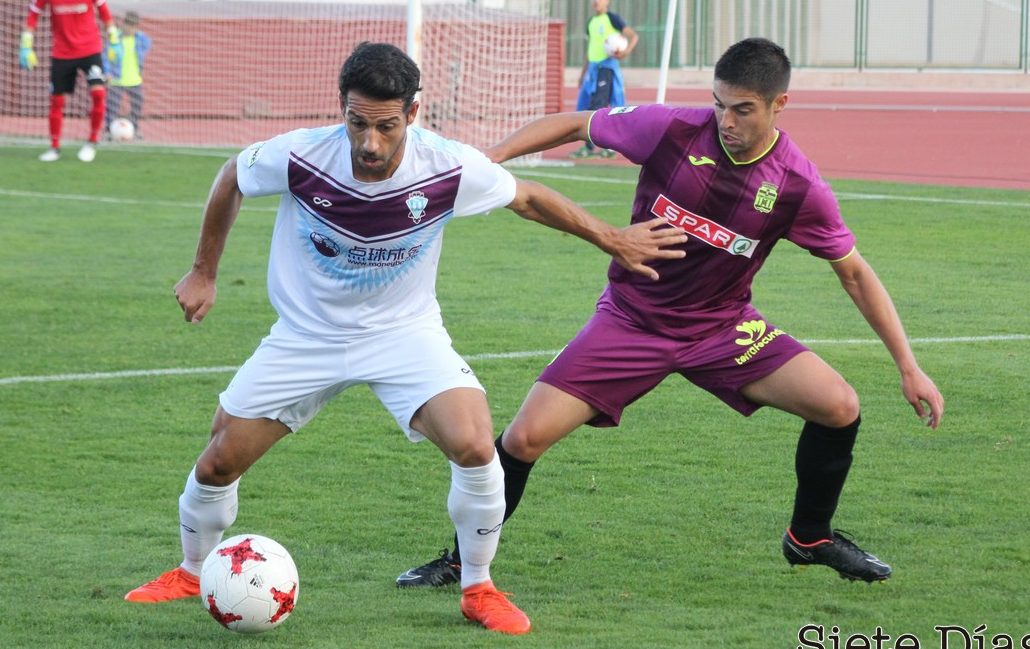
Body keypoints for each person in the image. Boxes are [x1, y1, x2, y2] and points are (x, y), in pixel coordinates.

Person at [121, 42, 686, 636]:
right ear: (342, 109)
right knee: (218, 462)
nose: (369, 142)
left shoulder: (447, 165)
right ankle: (192, 572)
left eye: (386, 126)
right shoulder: (300, 156)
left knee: (475, 446)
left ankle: (478, 587)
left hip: (404, 335)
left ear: (413, 113)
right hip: (306, 336)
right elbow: (231, 177)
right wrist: (204, 271)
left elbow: (529, 198)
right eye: (357, 123)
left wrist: (612, 239)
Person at [397, 37, 945, 593]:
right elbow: (575, 124)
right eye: (719, 104)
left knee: (839, 406)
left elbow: (855, 273)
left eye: (743, 109)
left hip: (724, 329)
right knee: (523, 439)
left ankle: (809, 537)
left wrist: (909, 367)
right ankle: (461, 562)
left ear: (779, 104)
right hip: (630, 322)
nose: (726, 121)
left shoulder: (797, 185)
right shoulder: (673, 128)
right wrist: (490, 160)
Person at [18, 0, 119, 162]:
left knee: (99, 94)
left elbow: (105, 12)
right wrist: (26, 46)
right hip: (62, 53)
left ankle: (92, 142)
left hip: (90, 50)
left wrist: (114, 40)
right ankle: (54, 147)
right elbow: (33, 15)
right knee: (57, 100)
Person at [570, 0, 637, 159]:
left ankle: (605, 147)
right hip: (593, 71)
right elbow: (591, 50)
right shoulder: (591, 22)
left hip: (606, 69)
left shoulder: (612, 19)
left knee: (598, 107)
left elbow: (633, 36)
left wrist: (626, 52)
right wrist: (583, 74)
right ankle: (593, 146)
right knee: (589, 107)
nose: (596, 1)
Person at [104, 10, 151, 139]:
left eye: (133, 26)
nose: (130, 29)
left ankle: (135, 129)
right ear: (123, 24)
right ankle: (108, 131)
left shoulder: (140, 39)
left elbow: (147, 44)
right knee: (112, 106)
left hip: (134, 79)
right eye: (128, 25)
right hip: (116, 79)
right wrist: (107, 72)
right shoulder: (115, 38)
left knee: (137, 105)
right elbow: (106, 56)